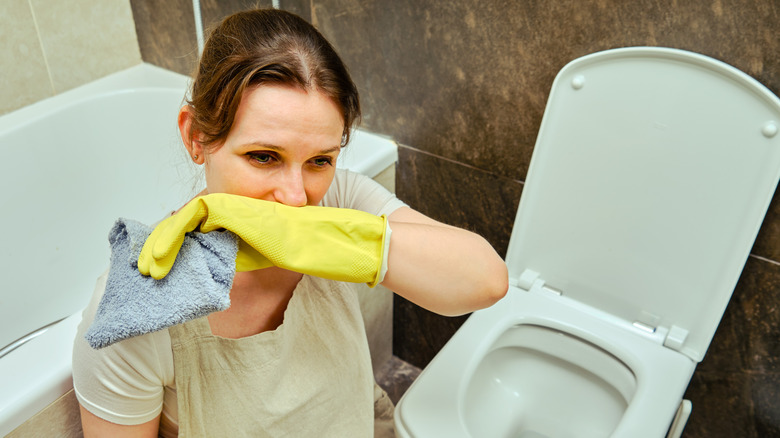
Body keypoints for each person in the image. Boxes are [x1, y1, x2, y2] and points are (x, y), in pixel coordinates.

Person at [73, 8, 508, 437]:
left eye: (320, 160)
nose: (296, 197)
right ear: (195, 137)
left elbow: (484, 281)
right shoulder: (135, 309)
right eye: (264, 157)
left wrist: (299, 235)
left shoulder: (337, 198)